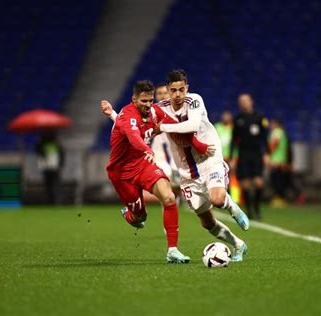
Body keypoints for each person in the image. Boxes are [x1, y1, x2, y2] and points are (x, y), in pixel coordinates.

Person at [104, 70, 250, 262]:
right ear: (166, 91)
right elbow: (131, 125)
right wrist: (114, 114)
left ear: (187, 88)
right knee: (206, 222)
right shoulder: (158, 109)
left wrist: (188, 140)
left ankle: (232, 208)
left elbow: (193, 125)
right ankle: (238, 245)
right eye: (173, 91)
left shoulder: (194, 100)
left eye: (181, 90)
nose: (177, 95)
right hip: (187, 173)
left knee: (214, 198)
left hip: (208, 160)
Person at [103, 80, 209, 264]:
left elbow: (176, 127)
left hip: (143, 164)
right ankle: (130, 214)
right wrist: (148, 150)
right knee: (139, 217)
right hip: (122, 174)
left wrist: (198, 145)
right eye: (143, 101)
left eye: (150, 100)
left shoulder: (154, 112)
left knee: (168, 197)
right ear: (134, 99)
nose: (148, 105)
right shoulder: (127, 115)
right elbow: (135, 137)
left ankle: (173, 251)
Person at [229, 93, 269, 219]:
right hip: (243, 154)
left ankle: (257, 208)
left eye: (246, 100)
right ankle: (249, 210)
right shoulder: (237, 119)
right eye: (241, 101)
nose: (244, 103)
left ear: (251, 101)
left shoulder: (259, 117)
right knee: (245, 184)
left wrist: (266, 153)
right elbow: (234, 139)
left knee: (258, 183)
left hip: (257, 153)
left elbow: (264, 137)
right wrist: (232, 157)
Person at [150, 83, 182, 204]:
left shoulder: (177, 111)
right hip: (158, 153)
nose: (162, 96)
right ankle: (169, 203)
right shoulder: (151, 112)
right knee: (165, 182)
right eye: (159, 93)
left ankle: (175, 199)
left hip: (175, 151)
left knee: (176, 185)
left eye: (165, 93)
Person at [268, 118, 304, 207]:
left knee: (278, 180)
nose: (270, 126)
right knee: (285, 180)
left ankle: (280, 198)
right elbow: (288, 148)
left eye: (272, 124)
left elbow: (274, 144)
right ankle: (288, 197)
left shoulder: (277, 132)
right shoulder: (283, 133)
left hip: (277, 161)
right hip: (282, 161)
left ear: (276, 124)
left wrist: (267, 154)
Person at [215, 111, 242, 203]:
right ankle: (220, 197)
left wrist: (235, 157)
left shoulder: (234, 128)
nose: (226, 118)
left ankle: (235, 198)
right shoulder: (217, 127)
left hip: (231, 157)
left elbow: (236, 144)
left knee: (232, 177)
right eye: (224, 116)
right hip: (219, 157)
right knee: (219, 178)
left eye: (228, 116)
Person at [35, 132, 64, 204]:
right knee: (52, 186)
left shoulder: (47, 145)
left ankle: (52, 201)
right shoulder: (55, 145)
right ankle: (53, 201)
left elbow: (38, 151)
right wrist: (60, 165)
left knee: (50, 186)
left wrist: (60, 165)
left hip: (49, 167)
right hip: (51, 167)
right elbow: (61, 155)